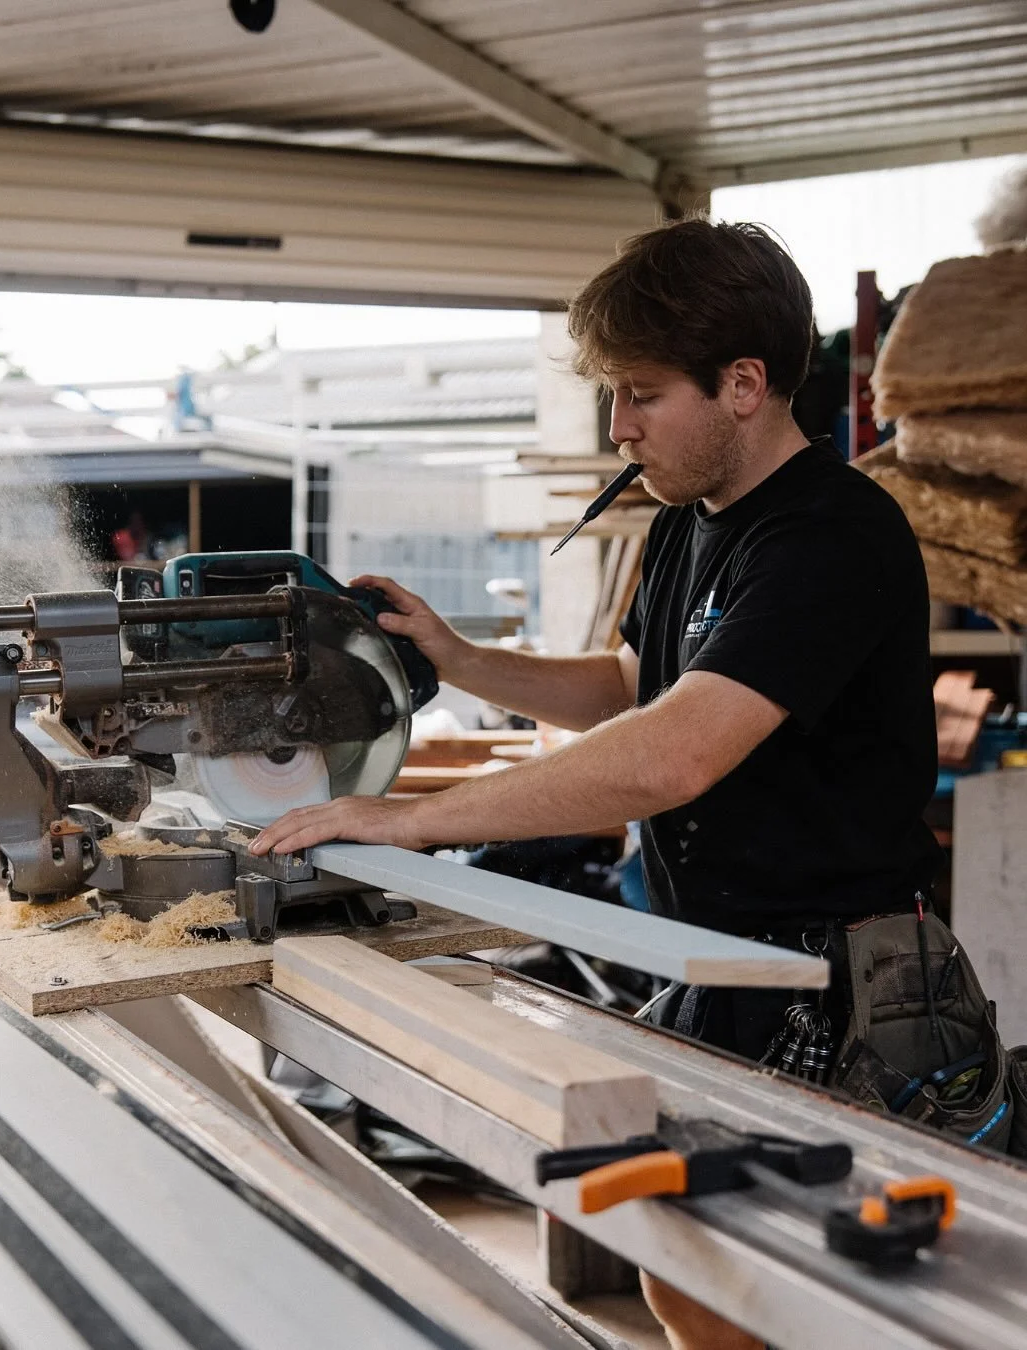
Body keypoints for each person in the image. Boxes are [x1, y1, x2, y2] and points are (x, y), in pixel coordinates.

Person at [250, 216, 942, 1348]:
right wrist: (462, 656)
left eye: (640, 395)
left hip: (834, 976)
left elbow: (674, 754)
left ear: (746, 384)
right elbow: (636, 686)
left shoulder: (833, 536)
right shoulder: (688, 525)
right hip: (717, 957)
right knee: (684, 1265)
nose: (619, 427)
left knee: (805, 1294)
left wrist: (412, 820)